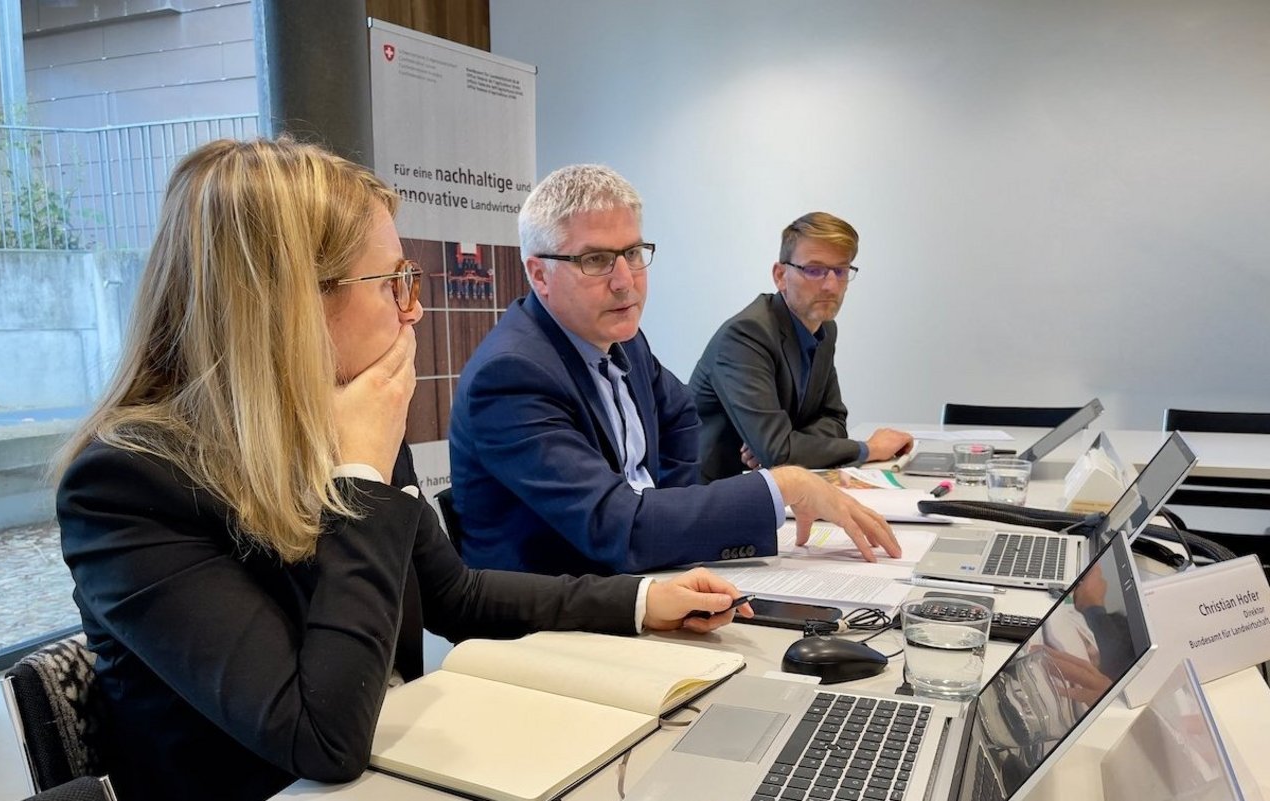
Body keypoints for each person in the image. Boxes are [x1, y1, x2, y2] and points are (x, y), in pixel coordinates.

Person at [54, 139, 752, 801]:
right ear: (289, 302)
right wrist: (357, 474)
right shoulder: (125, 486)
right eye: (391, 282)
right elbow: (319, 735)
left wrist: (637, 601)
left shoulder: (343, 422)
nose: (412, 307)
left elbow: (457, 595)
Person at [449, 166, 900, 577]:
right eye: (595, 260)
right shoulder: (511, 376)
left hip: (642, 578)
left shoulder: (621, 337)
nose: (625, 279)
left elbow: (682, 413)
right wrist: (782, 485)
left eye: (632, 253)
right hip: (555, 621)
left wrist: (671, 520)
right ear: (539, 275)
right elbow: (618, 528)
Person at [689, 212, 913, 482]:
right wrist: (870, 449)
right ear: (780, 275)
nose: (831, 285)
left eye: (840, 270)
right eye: (814, 270)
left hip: (773, 489)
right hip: (711, 496)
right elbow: (780, 452)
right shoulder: (746, 336)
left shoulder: (825, 328)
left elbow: (835, 420)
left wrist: (788, 446)